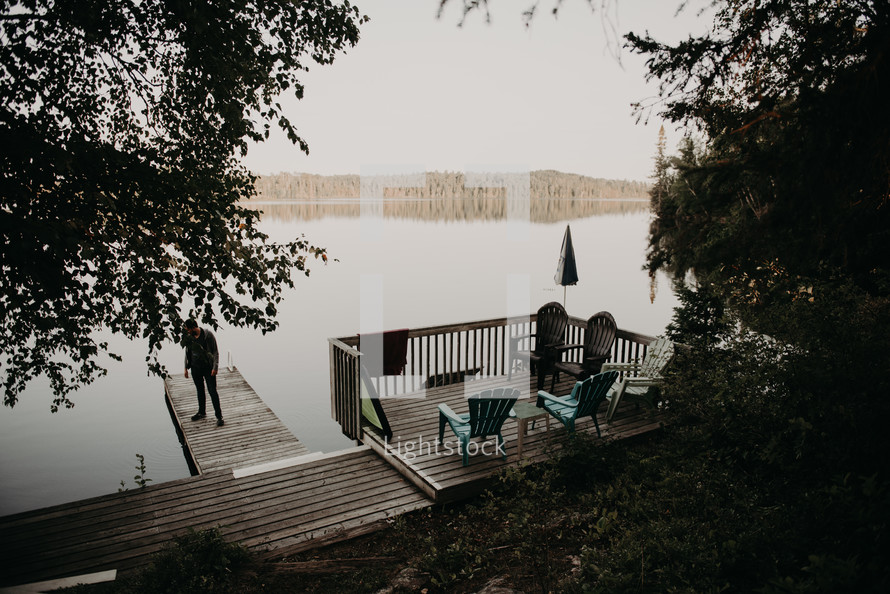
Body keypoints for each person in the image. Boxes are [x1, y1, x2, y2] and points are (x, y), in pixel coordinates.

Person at [183, 319, 224, 427]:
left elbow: (215, 351)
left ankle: (219, 417)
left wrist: (215, 367)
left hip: (208, 368)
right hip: (195, 368)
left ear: (192, 327)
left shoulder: (207, 335)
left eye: (187, 329)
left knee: (212, 391)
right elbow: (187, 352)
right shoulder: (189, 338)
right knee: (200, 390)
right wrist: (185, 368)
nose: (187, 332)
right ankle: (201, 412)